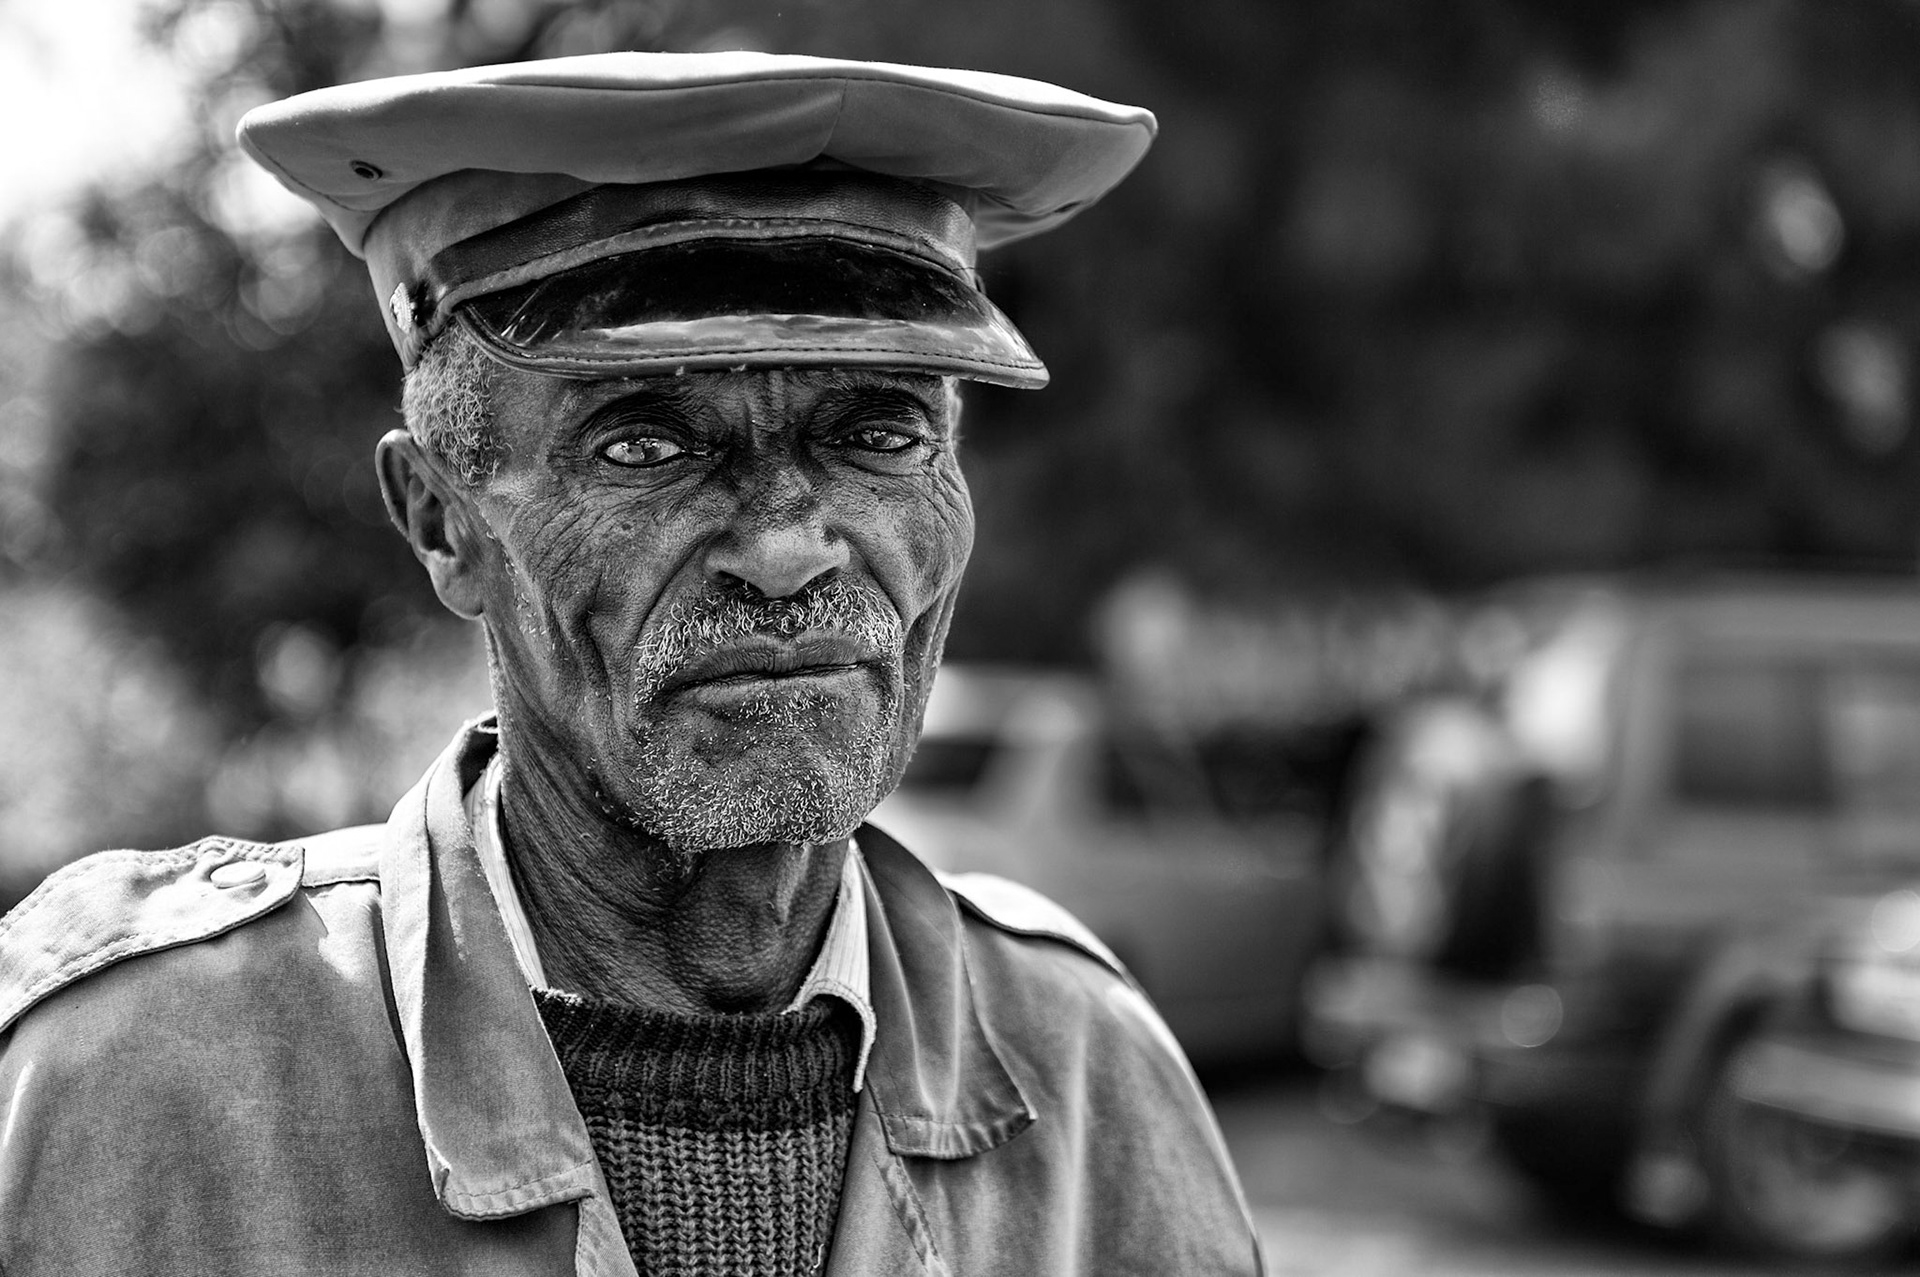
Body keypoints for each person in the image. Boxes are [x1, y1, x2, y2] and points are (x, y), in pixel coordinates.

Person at [0, 52, 1263, 1276]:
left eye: (879, 432)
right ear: (443, 523)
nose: (784, 548)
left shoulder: (1093, 1074)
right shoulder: (120, 1083)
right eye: (643, 445)